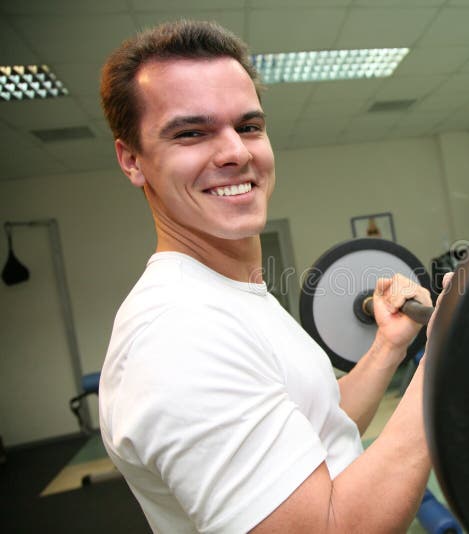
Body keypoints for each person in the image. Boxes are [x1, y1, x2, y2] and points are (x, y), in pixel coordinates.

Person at [98, 20, 442, 533]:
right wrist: (450, 352)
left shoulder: (231, 296)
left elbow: (325, 425)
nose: (236, 152)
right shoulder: (179, 333)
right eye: (192, 132)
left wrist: (389, 347)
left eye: (249, 126)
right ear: (132, 160)